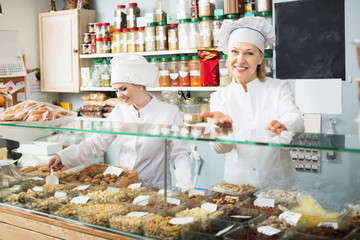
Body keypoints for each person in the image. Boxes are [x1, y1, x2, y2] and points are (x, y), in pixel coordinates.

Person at [48, 54, 193, 191]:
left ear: (140, 84)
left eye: (124, 89)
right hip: (123, 186)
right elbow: (95, 144)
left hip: (154, 188)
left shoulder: (168, 112)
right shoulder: (119, 111)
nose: (119, 95)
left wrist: (185, 187)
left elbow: (179, 154)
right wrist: (64, 157)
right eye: (116, 90)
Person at [202, 16, 304, 188]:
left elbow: (297, 120)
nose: (240, 60)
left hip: (278, 185)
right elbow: (221, 149)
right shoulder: (219, 97)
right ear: (228, 56)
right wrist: (222, 131)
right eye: (234, 52)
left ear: (260, 58)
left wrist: (285, 125)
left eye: (249, 53)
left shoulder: (278, 88)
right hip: (238, 186)